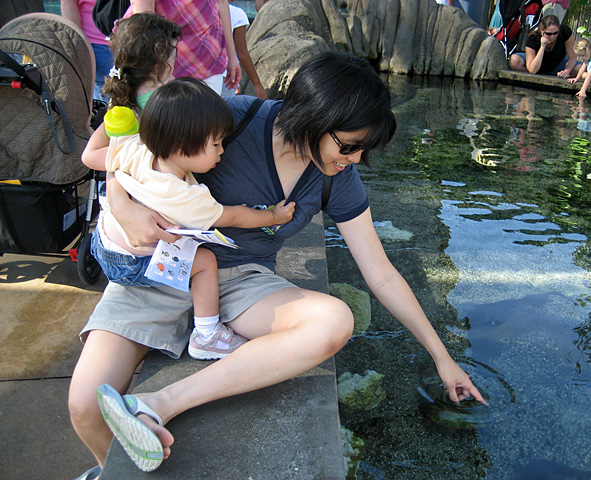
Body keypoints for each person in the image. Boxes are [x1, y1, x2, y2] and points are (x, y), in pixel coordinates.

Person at [68, 51, 487, 476]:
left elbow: (379, 271)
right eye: (349, 146)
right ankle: (109, 470)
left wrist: (441, 356)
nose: (355, 159)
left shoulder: (336, 177)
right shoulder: (228, 119)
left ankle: (160, 404)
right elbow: (129, 148)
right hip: (156, 267)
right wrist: (121, 204)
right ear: (314, 118)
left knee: (333, 321)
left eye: (362, 149)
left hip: (239, 279)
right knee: (85, 406)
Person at [82, 77, 295, 365]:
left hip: (101, 243)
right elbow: (233, 215)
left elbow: (91, 155)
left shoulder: (137, 149)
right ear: (183, 146)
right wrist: (272, 216)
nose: (222, 151)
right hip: (132, 263)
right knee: (205, 261)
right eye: (216, 144)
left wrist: (111, 126)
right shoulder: (186, 198)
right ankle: (207, 336)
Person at [126, 0, 241, 95]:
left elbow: (222, 3)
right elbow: (145, 28)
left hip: (210, 57)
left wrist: (232, 56)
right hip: (167, 67)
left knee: (208, 119)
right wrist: (163, 75)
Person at [102, 12, 181, 111]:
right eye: (173, 58)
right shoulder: (167, 102)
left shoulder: (122, 88)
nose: (174, 61)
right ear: (157, 67)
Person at [60, 0, 112, 101]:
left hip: (95, 42)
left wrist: (77, 45)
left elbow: (68, 3)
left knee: (106, 107)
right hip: (100, 44)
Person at [509, 14, 580, 78]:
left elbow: (573, 57)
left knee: (579, 68)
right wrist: (542, 46)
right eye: (548, 34)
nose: (552, 37)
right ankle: (536, 76)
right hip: (537, 64)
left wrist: (566, 71)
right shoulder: (533, 38)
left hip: (557, 64)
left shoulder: (565, 31)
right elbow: (532, 70)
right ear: (541, 30)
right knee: (515, 61)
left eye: (555, 33)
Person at [221, 0, 267, 99]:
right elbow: (242, 53)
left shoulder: (206, 10)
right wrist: (257, 83)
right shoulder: (237, 14)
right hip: (226, 77)